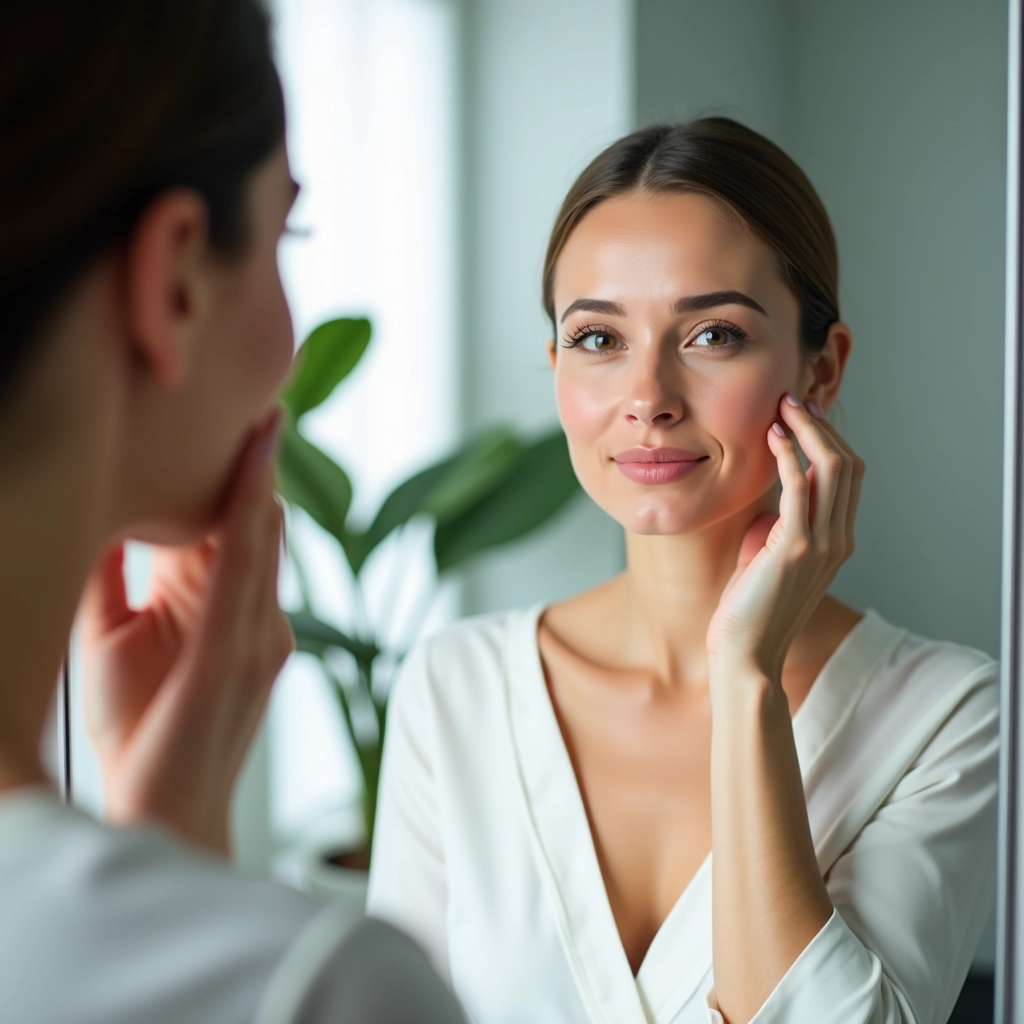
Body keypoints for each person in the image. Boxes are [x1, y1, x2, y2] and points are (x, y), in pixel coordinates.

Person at [366, 120, 999, 1024]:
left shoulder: (948, 714)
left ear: (821, 369)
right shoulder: (453, 688)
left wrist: (747, 680)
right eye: (598, 339)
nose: (649, 398)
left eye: (712, 334)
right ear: (556, 368)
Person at [0, 1, 464, 1021]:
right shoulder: (321, 987)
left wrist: (161, 844)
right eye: (285, 232)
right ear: (174, 281)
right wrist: (172, 876)